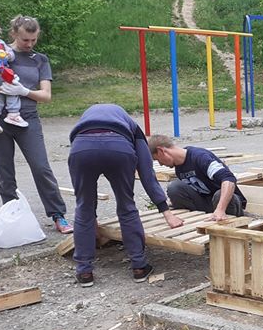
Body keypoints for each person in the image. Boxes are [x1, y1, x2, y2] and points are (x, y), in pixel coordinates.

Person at [0, 15, 73, 234]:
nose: (29, 45)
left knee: (41, 167)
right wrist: (1, 90)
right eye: (24, 40)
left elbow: (46, 96)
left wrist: (23, 91)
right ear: (13, 35)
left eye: (33, 40)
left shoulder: (40, 59)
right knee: (4, 171)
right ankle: (13, 217)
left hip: (27, 118)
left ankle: (58, 215)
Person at [68, 104, 185, 287]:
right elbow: (147, 174)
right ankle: (139, 266)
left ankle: (84, 272)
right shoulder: (133, 128)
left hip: (82, 149)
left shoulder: (84, 121)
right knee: (126, 205)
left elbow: (75, 141)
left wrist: (90, 220)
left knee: (84, 207)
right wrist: (165, 210)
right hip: (119, 148)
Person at [147, 135, 247, 221]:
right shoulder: (179, 168)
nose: (160, 164)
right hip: (207, 203)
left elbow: (229, 179)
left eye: (157, 159)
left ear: (161, 151)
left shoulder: (200, 157)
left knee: (219, 194)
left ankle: (224, 220)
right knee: (175, 188)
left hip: (226, 204)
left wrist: (220, 209)